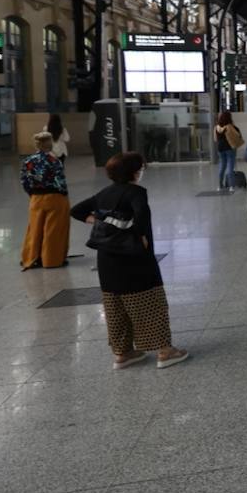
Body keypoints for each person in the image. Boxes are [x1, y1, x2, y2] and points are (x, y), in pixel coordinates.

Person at [70, 153, 190, 370]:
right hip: (134, 257)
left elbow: (76, 210)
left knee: (116, 306)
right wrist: (140, 235)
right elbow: (141, 213)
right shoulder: (136, 191)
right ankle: (165, 351)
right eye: (140, 168)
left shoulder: (104, 193)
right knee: (149, 302)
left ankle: (123, 354)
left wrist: (99, 222)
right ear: (134, 172)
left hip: (107, 258)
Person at [20, 131, 69, 270]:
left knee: (35, 229)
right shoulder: (54, 161)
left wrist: (33, 194)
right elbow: (60, 182)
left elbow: (24, 181)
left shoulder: (28, 161)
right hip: (55, 198)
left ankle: (31, 258)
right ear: (49, 144)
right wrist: (63, 194)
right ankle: (51, 260)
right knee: (53, 230)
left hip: (36, 199)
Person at [213, 111, 240, 191]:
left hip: (220, 148)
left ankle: (220, 186)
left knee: (222, 167)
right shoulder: (229, 126)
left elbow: (215, 139)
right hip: (230, 148)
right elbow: (237, 135)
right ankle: (231, 186)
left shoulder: (216, 127)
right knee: (230, 167)